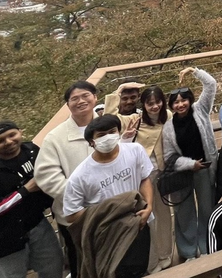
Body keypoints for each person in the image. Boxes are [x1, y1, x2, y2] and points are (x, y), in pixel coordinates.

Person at [0, 121, 64, 278]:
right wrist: (24, 191)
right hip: (2, 239)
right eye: (0, 141)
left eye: (12, 135)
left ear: (21, 132)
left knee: (54, 268)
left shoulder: (32, 151)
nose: (8, 142)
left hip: (37, 224)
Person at [63, 114, 154, 278]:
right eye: (101, 135)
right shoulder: (80, 176)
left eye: (112, 131)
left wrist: (148, 207)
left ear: (119, 132)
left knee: (140, 269)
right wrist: (107, 209)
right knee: (113, 272)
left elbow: (144, 178)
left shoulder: (134, 151)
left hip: (138, 223)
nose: (108, 137)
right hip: (108, 234)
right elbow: (70, 214)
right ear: (92, 142)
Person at [34, 80, 99, 278]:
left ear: (95, 97)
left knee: (113, 256)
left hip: (110, 208)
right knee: (82, 262)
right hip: (75, 215)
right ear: (67, 104)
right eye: (74, 98)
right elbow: (46, 175)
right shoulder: (55, 137)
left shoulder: (109, 125)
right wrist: (78, 199)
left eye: (86, 95)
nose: (81, 101)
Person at [106, 84, 174, 272]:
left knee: (164, 216)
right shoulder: (134, 120)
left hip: (160, 172)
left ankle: (165, 255)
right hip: (139, 175)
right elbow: (109, 117)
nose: (154, 106)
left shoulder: (167, 116)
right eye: (150, 103)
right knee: (146, 218)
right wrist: (118, 90)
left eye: (158, 102)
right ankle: (151, 261)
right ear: (143, 104)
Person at [163, 67, 219, 259]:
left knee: (206, 209)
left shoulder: (201, 110)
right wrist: (189, 164)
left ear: (190, 100)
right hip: (183, 173)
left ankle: (206, 247)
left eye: (183, 100)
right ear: (171, 106)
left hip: (205, 169)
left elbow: (211, 84)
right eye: (176, 102)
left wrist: (193, 70)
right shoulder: (168, 127)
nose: (180, 105)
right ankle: (188, 252)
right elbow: (169, 156)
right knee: (184, 213)